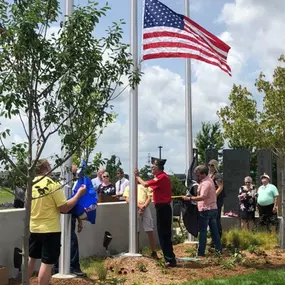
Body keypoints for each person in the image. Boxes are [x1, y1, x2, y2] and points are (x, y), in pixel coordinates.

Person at [28, 159, 86, 285]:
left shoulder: (30, 184)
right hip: (50, 229)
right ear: (46, 167)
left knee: (31, 258)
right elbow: (64, 208)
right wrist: (78, 195)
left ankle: (24, 282)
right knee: (47, 263)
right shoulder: (52, 184)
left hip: (34, 228)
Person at [135, 157, 176, 267]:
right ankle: (170, 258)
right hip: (163, 208)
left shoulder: (161, 178)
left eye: (154, 167)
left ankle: (169, 259)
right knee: (165, 234)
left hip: (163, 208)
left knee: (163, 234)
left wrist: (137, 176)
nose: (152, 169)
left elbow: (145, 184)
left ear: (159, 168)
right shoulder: (161, 177)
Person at [53, 164, 87, 277]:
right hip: (59, 217)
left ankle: (68, 266)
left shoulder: (71, 184)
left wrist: (79, 220)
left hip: (69, 217)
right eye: (73, 169)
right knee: (66, 242)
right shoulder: (62, 185)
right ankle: (67, 267)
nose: (76, 171)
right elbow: (65, 203)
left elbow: (74, 203)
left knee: (70, 241)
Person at [183, 165, 222, 257]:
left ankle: (201, 253)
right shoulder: (210, 181)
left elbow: (203, 197)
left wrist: (189, 198)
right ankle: (219, 250)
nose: (197, 176)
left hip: (205, 210)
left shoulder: (205, 183)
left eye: (198, 174)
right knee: (214, 231)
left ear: (203, 174)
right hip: (213, 209)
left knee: (203, 232)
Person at [123, 182, 158, 259]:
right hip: (135, 208)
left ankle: (153, 252)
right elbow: (127, 199)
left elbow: (150, 197)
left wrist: (144, 206)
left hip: (145, 208)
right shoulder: (128, 187)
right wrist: (139, 206)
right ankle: (137, 250)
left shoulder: (145, 186)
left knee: (149, 230)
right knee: (136, 231)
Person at [208, 159, 224, 238]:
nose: (210, 167)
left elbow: (220, 187)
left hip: (217, 200)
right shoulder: (209, 175)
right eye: (209, 165)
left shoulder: (217, 175)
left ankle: (218, 238)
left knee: (216, 219)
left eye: (212, 165)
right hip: (210, 201)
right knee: (211, 219)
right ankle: (213, 237)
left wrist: (214, 196)